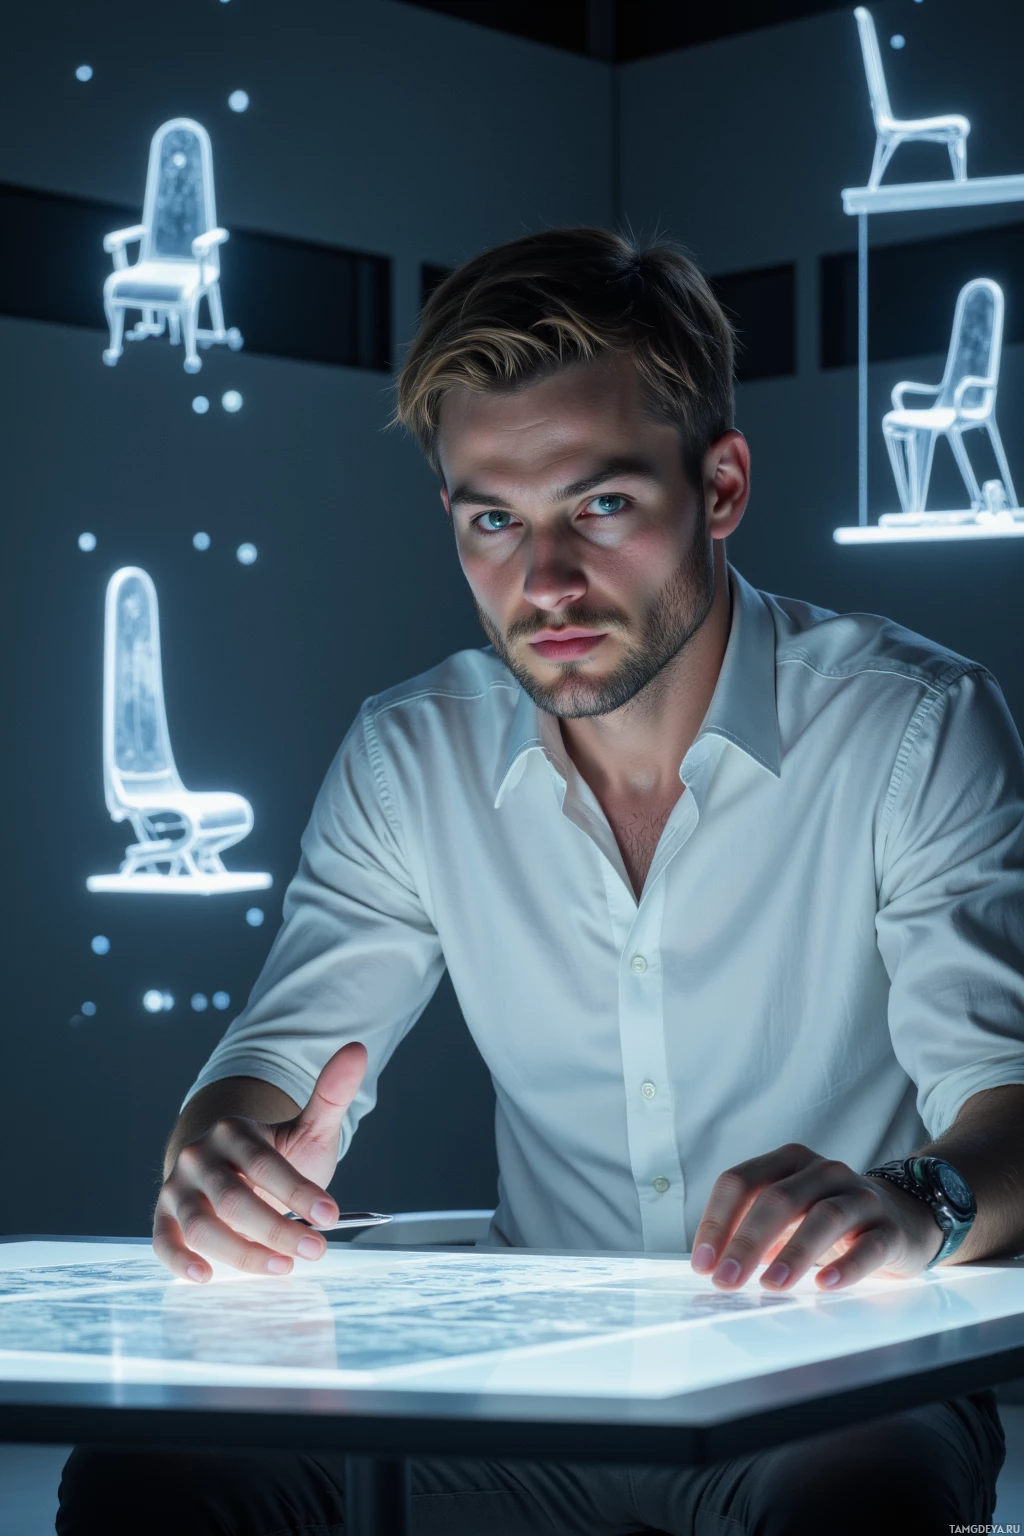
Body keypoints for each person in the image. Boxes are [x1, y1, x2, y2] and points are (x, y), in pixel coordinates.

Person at [58, 226, 1021, 1534]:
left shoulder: (913, 727)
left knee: (857, 1501)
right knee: (151, 1477)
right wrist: (220, 1157)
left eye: (602, 505)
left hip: (831, 1376)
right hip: (527, 1383)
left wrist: (909, 1202)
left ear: (722, 487)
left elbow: (1008, 1112)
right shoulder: (414, 753)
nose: (546, 581)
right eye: (494, 521)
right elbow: (267, 1070)